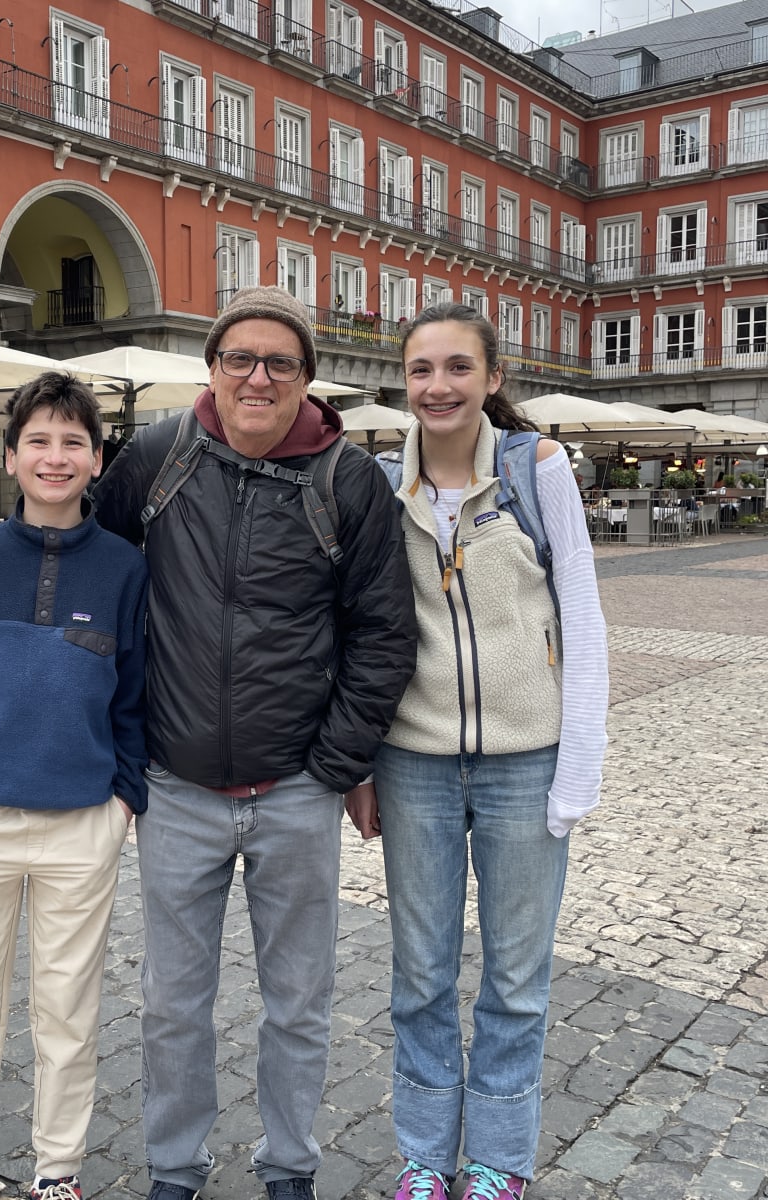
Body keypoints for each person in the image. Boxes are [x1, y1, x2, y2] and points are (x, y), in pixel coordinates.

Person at [92, 286, 417, 1200]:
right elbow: (97, 579)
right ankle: (172, 1169)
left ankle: (289, 1170)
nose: (259, 377)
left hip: (296, 791)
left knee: (300, 1006)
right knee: (170, 1006)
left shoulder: (348, 479)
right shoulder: (158, 454)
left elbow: (382, 632)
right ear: (214, 368)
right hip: (178, 785)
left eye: (280, 362)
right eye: (241, 358)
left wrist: (333, 765)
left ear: (308, 379)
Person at [349, 303, 608, 1200]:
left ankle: (498, 1160)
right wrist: (358, 765)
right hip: (412, 762)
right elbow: (361, 632)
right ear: (405, 385)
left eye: (459, 368)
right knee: (419, 973)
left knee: (515, 980)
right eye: (422, 371)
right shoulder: (381, 487)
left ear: (493, 379)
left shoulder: (537, 470)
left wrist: (578, 768)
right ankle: (426, 1156)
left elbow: (582, 615)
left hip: (525, 761)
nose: (439, 387)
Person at [0, 371, 148, 1200]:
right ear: (10, 456)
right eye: (39, 441)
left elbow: (134, 695)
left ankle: (57, 1171)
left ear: (95, 459)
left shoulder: (124, 569)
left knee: (67, 1014)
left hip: (80, 825)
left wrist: (124, 800)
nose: (56, 457)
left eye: (73, 442)